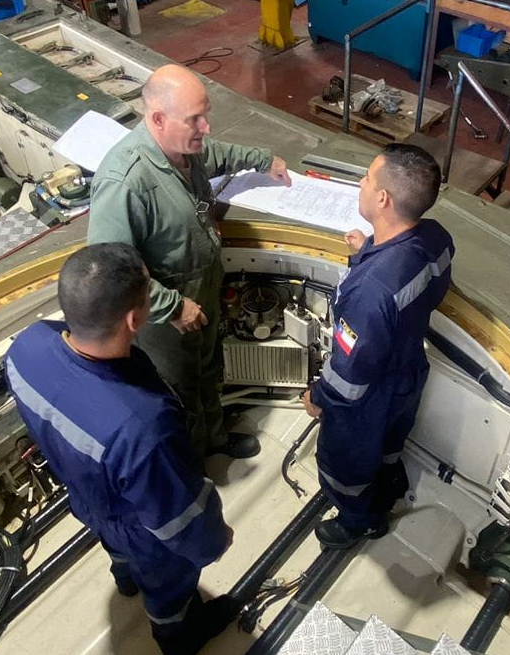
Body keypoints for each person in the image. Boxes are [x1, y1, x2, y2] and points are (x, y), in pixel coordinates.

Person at [5, 243, 237, 655]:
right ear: (134, 318)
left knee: (118, 549)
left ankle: (125, 578)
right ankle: (178, 636)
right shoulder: (142, 428)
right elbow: (178, 516)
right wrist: (215, 541)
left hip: (86, 498)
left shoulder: (24, 347)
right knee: (168, 583)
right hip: (139, 526)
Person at [89, 64, 292, 462]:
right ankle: (192, 467)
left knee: (209, 373)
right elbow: (112, 269)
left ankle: (215, 438)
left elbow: (217, 154)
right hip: (167, 315)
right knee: (179, 393)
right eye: (195, 119)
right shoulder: (125, 182)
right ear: (158, 119)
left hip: (204, 294)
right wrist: (173, 306)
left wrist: (262, 159)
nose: (207, 127)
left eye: (206, 114)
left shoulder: (185, 149)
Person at [302, 143, 455, 550]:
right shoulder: (437, 237)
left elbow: (349, 378)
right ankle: (389, 479)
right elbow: (422, 286)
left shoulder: (371, 292)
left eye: (367, 178)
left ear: (383, 198)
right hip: (408, 371)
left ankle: (361, 521)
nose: (361, 183)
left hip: (367, 397)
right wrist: (369, 251)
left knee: (342, 466)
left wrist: (318, 396)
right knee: (391, 441)